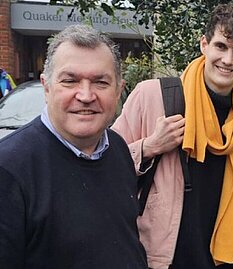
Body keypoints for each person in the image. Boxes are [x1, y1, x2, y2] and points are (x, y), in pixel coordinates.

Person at [112, 3, 233, 269]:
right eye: (221, 46)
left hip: (225, 261)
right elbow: (105, 167)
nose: (227, 59)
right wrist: (149, 147)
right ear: (204, 44)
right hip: (159, 260)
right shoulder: (152, 96)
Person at [0, 25, 147, 268]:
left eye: (100, 82)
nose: (86, 95)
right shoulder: (9, 170)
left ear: (119, 91)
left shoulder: (118, 148)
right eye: (70, 81)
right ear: (46, 88)